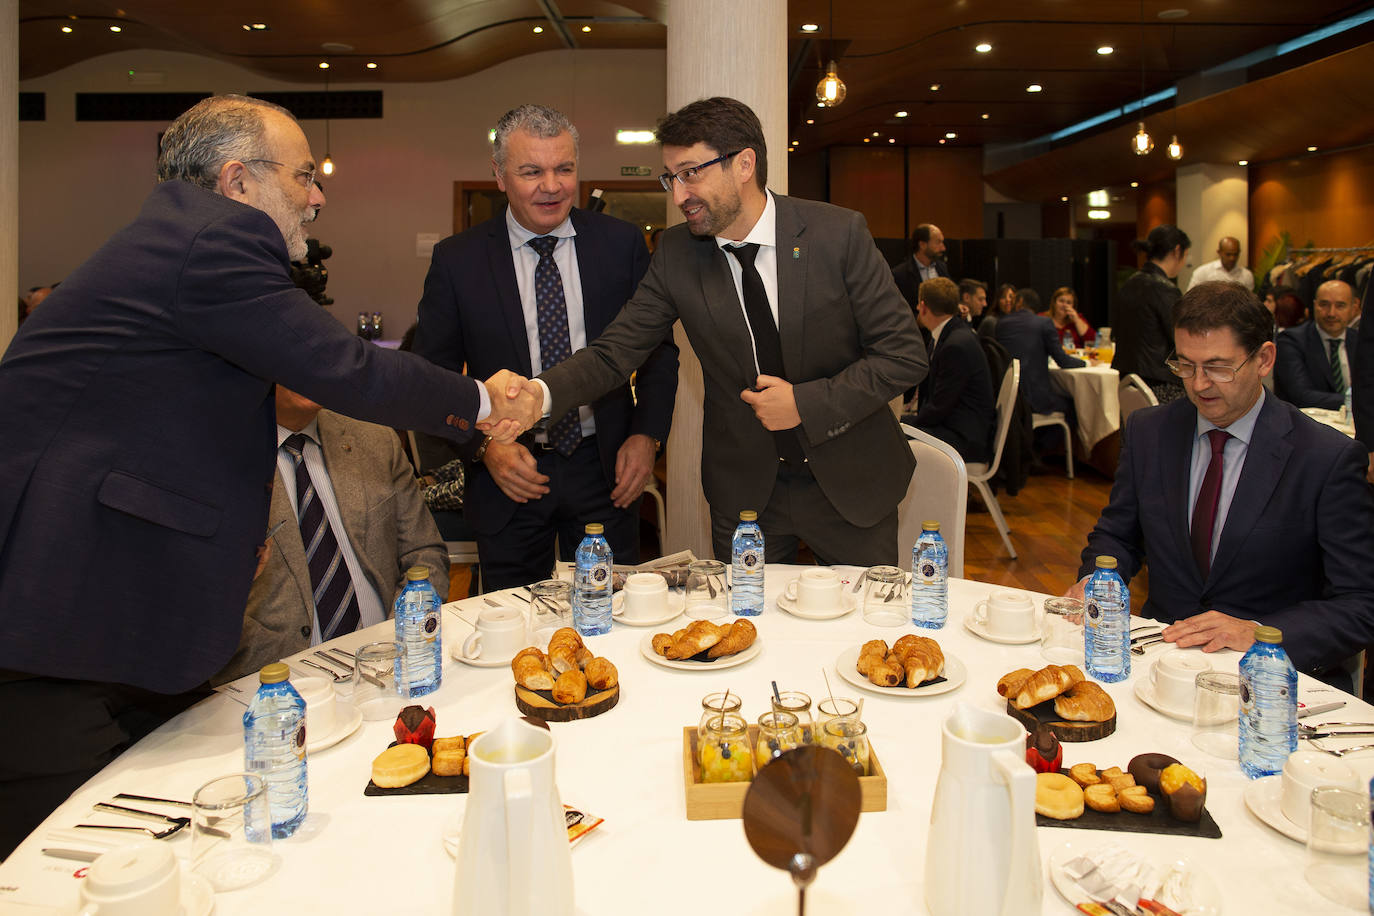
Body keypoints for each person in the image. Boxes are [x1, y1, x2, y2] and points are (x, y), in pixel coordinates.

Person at [0, 94, 532, 855]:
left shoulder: (169, 243)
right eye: (305, 176)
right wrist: (482, 399)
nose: (318, 197)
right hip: (59, 616)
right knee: (76, 858)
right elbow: (340, 367)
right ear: (237, 180)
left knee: (155, 833)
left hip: (111, 614)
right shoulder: (210, 240)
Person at [528, 96, 926, 566]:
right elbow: (616, 353)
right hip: (746, 493)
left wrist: (804, 404)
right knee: (747, 635)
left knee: (863, 632)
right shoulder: (678, 254)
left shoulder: (836, 235)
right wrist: (537, 394)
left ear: (744, 164)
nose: (678, 196)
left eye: (691, 173)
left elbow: (904, 355)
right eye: (671, 178)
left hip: (851, 481)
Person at [413, 104, 678, 590]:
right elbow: (434, 376)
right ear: (499, 175)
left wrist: (646, 438)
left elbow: (658, 350)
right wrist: (484, 448)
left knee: (613, 617)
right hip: (508, 472)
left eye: (564, 168)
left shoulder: (620, 246)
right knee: (514, 625)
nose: (551, 185)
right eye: (532, 171)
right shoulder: (458, 260)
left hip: (605, 469)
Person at [1071, 281, 1374, 684]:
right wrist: (1096, 578)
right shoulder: (1151, 431)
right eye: (1186, 365)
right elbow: (1118, 534)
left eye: (1217, 367)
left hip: (1264, 682)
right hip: (1160, 663)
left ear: (1264, 359)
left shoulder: (1324, 457)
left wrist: (1260, 634)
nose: (1198, 384)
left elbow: (1360, 604)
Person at [211, 386, 449, 684]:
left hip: (394, 664)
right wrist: (299, 673)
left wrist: (397, 640)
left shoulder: (374, 438)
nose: (306, 368)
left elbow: (425, 552)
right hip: (279, 687)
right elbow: (204, 601)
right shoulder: (216, 459)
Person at [908, 277, 996, 463]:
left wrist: (907, 426)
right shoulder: (951, 334)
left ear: (923, 307)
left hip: (964, 437)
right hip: (957, 425)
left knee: (890, 437)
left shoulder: (955, 346)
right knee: (893, 429)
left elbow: (940, 406)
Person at [1112, 224, 1191, 404]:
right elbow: (1180, 338)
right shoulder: (1164, 289)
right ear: (1177, 251)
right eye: (1186, 255)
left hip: (1127, 381)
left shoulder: (1128, 284)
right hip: (1160, 383)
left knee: (1134, 430)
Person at [994, 287, 1085, 419]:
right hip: (1035, 398)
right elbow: (1063, 361)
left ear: (1019, 302)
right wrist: (1086, 362)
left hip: (1006, 395)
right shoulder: (1044, 323)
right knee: (1075, 405)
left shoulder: (1001, 323)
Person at [1275, 279, 1359, 410]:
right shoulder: (1291, 341)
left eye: (1340, 305)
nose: (1331, 313)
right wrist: (1357, 401)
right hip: (1306, 424)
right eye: (1324, 304)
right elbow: (1302, 396)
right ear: (1314, 305)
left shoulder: (1361, 341)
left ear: (1354, 309)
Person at [892, 223, 950, 318]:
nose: (943, 248)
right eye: (938, 242)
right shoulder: (900, 274)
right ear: (922, 245)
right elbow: (898, 310)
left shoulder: (942, 268)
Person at [1187, 236, 1254, 291]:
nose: (1232, 258)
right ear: (1219, 252)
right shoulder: (1203, 272)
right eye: (1228, 254)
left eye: (1235, 254)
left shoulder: (1246, 275)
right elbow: (1190, 298)